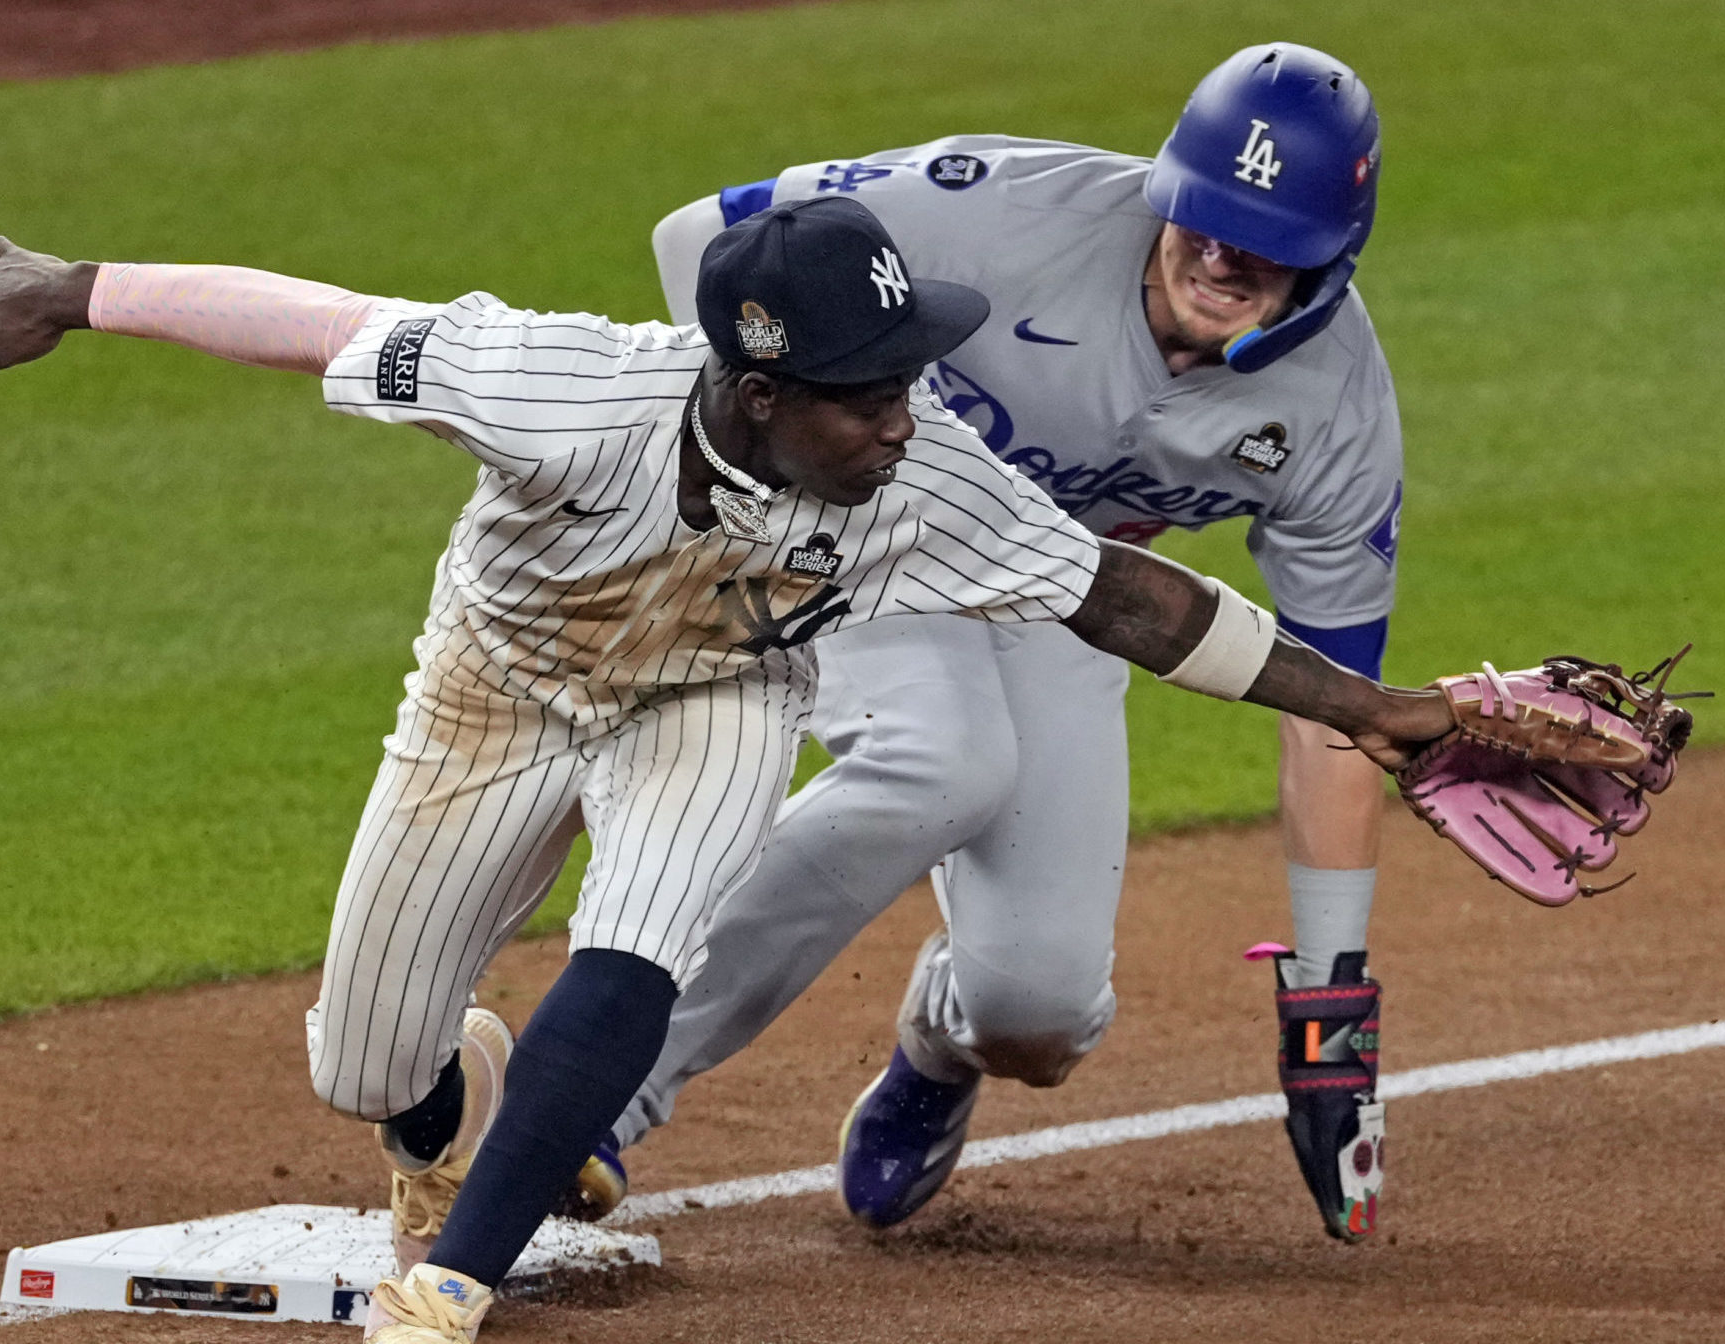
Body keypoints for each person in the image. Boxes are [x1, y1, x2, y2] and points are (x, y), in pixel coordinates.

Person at [0, 194, 1478, 1342]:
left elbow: (1127, 593)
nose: (907, 417)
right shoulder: (557, 387)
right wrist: (80, 287)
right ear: (761, 390)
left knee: (641, 935)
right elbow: (322, 323)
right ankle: (463, 1111)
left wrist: (1372, 708)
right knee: (365, 1071)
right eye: (871, 393)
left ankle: (454, 1281)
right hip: (494, 694)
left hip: (713, 702)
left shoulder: (926, 477)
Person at [599, 42, 1405, 1241]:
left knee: (1039, 1010)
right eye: (1204, 216)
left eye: (1266, 240)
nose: (1223, 255)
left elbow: (1335, 709)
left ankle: (937, 1046)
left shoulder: (1335, 412)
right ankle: (603, 1086)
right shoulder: (996, 211)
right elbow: (694, 238)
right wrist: (759, 441)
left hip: (1070, 597)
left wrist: (1329, 1005)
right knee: (937, 759)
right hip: (864, 528)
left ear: (1331, 261)